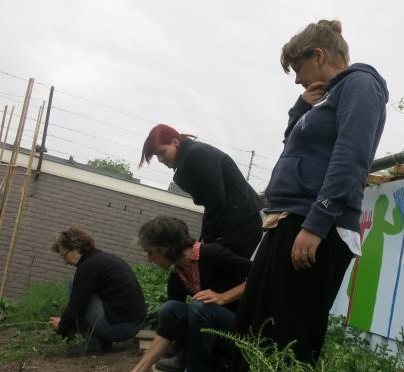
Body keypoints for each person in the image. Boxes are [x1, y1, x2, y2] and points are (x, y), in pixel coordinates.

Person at [234, 19, 389, 366]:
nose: (297, 79)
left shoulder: (361, 85)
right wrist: (300, 108)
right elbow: (294, 146)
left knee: (289, 340)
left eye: (298, 68)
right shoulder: (323, 99)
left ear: (318, 55)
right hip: (289, 219)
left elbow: (351, 158)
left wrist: (317, 225)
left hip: (314, 224)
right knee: (255, 332)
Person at [139, 125, 262, 370]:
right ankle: (192, 350)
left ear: (176, 141)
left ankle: (223, 353)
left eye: (162, 153)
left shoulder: (197, 154)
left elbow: (216, 198)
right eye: (157, 157)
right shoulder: (185, 166)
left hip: (242, 223)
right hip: (228, 223)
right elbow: (209, 205)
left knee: (219, 275)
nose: (162, 160)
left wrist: (206, 244)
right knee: (204, 286)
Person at [131, 216, 251, 372]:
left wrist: (224, 296)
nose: (149, 259)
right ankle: (194, 359)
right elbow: (166, 329)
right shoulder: (177, 275)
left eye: (150, 252)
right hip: (215, 337)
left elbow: (261, 275)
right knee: (170, 308)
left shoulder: (212, 253)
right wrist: (140, 367)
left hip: (242, 331)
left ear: (164, 248)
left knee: (201, 307)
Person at [48, 227, 146, 356]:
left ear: (76, 248)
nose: (65, 261)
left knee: (75, 289)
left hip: (121, 329)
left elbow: (77, 304)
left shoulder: (88, 267)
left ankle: (93, 345)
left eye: (64, 256)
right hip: (133, 324)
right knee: (79, 290)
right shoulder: (102, 259)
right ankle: (103, 343)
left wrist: (62, 326)